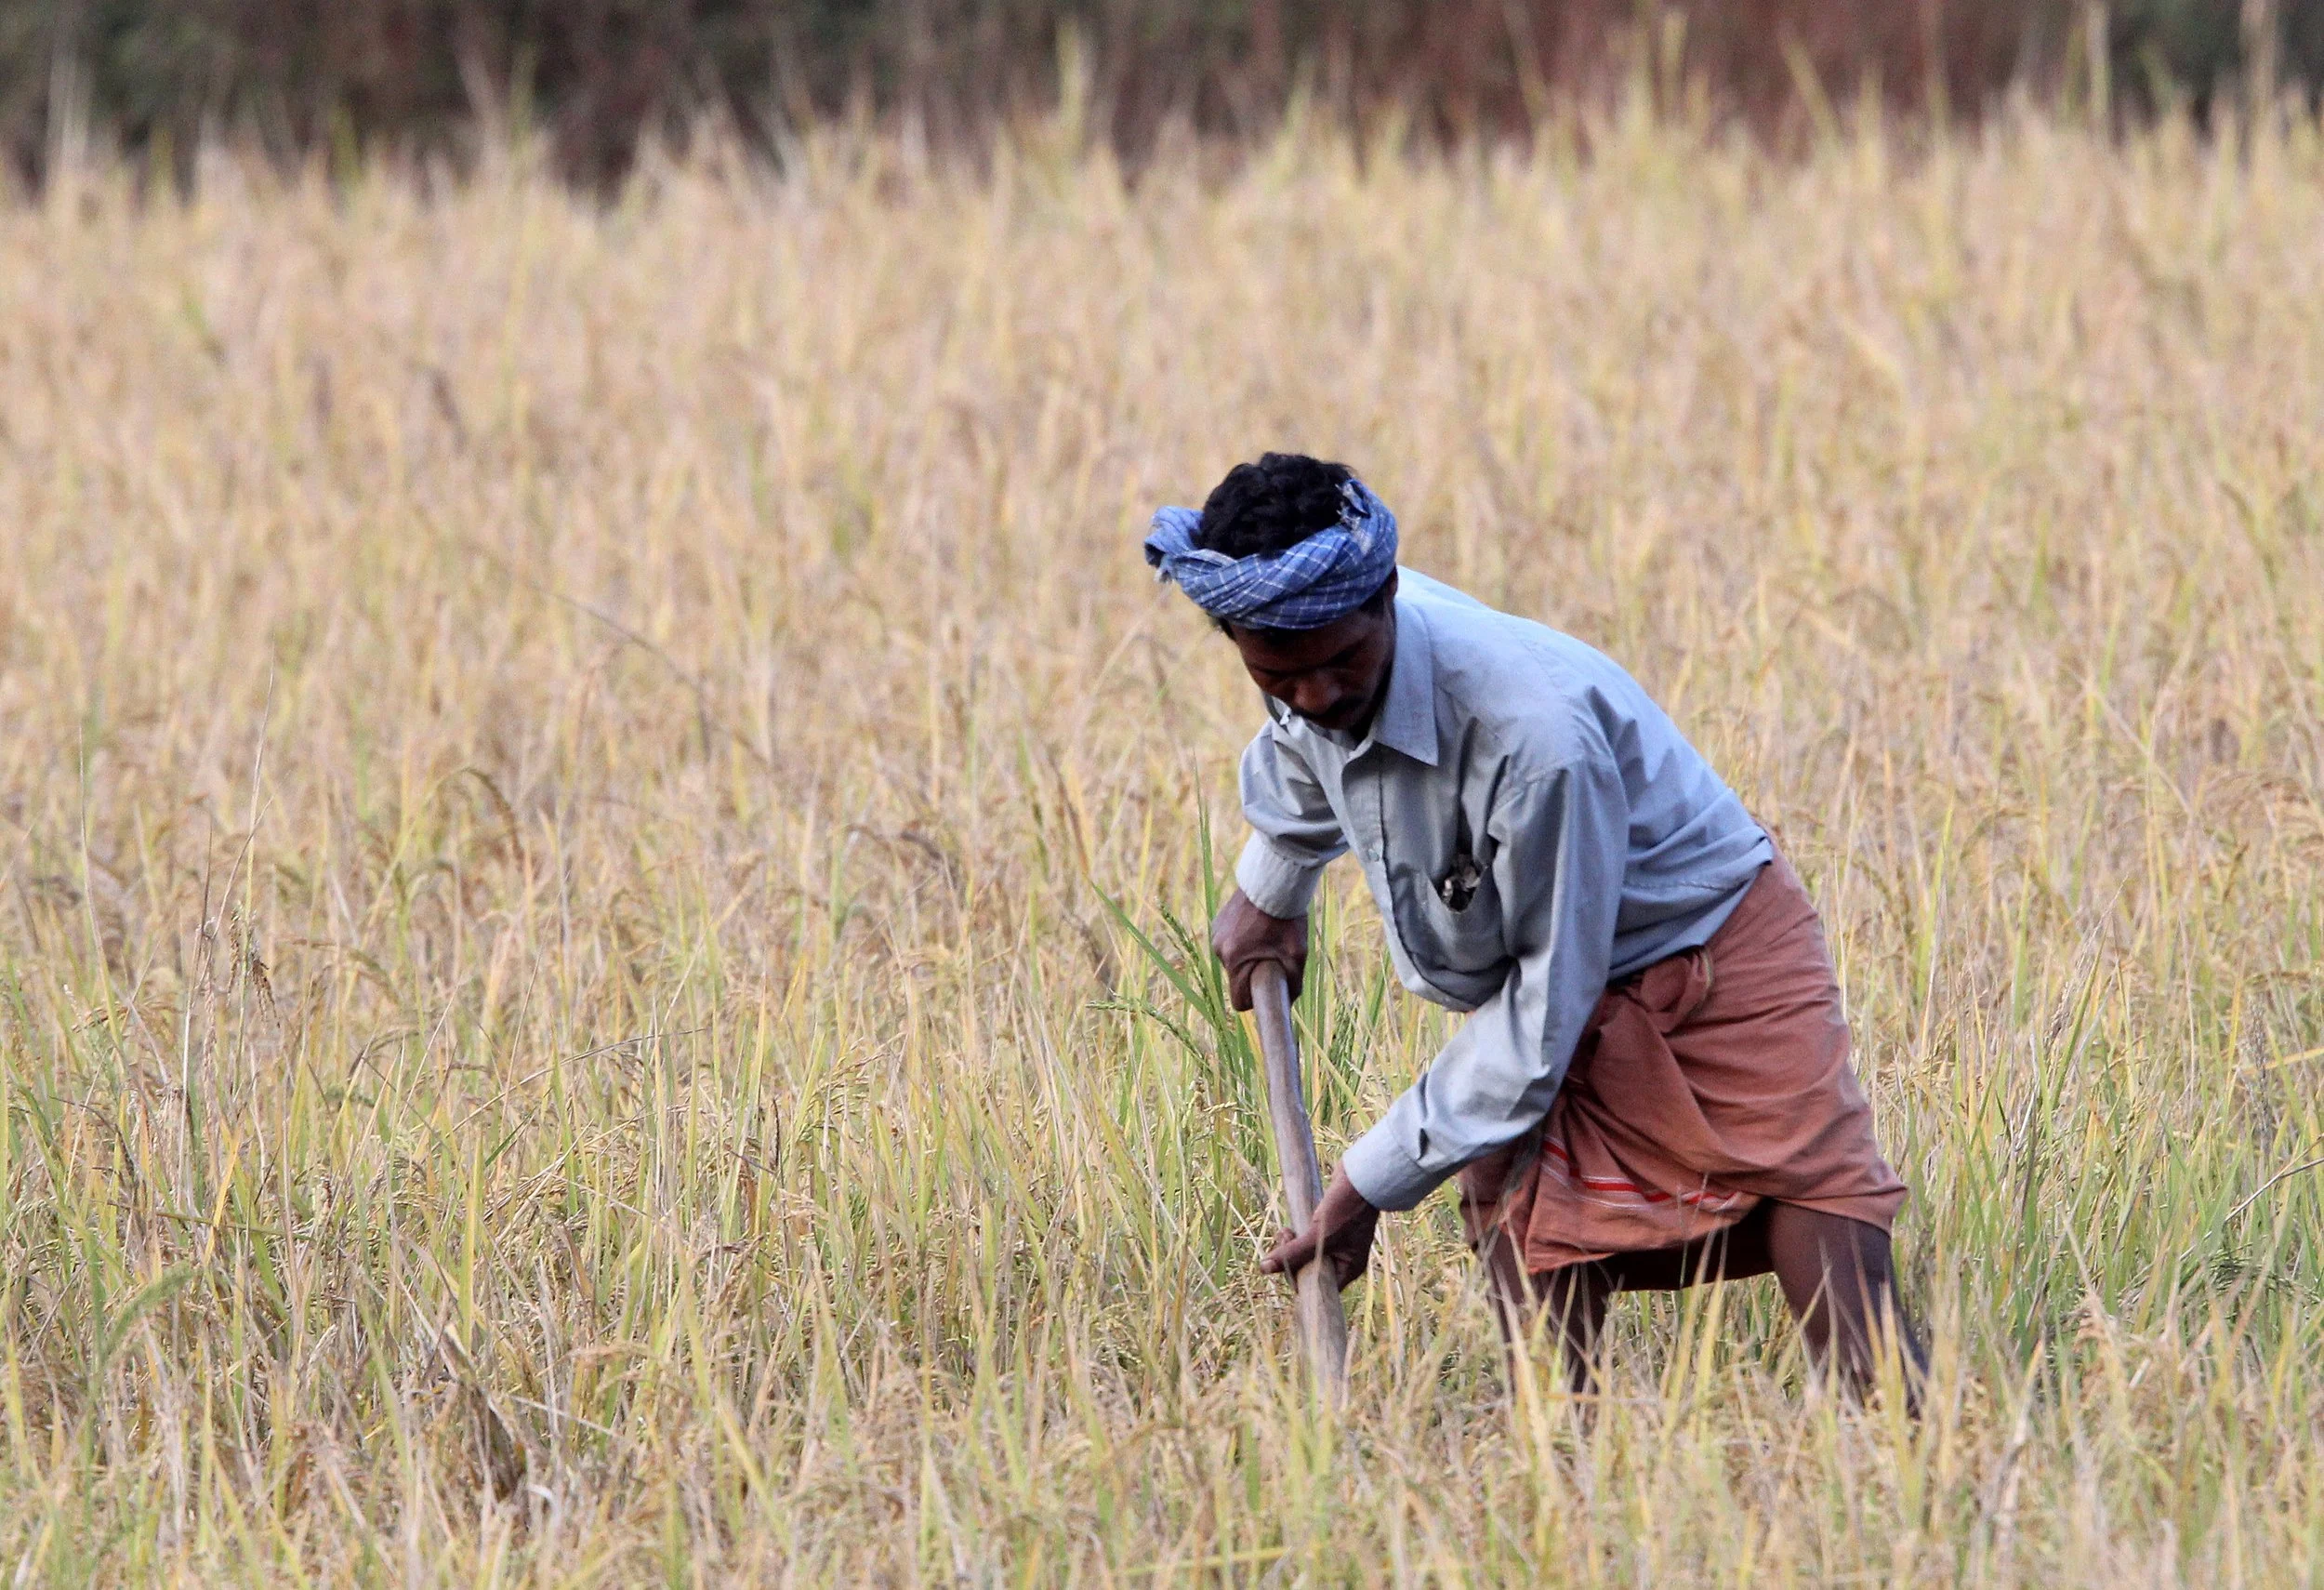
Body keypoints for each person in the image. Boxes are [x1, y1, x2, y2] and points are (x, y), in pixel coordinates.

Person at [1143, 452, 1926, 1400]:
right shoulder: (1316, 654)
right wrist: (1271, 886)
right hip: (1549, 962)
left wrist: (1365, 1185)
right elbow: (1305, 747)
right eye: (1276, 673)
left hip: (1712, 943)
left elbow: (1542, 1020)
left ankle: (1912, 1446)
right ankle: (1564, 1475)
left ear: (1387, 598)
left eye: (1341, 664)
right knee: (1529, 1220)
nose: (1312, 696)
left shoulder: (1535, 738)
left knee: (1813, 1194)